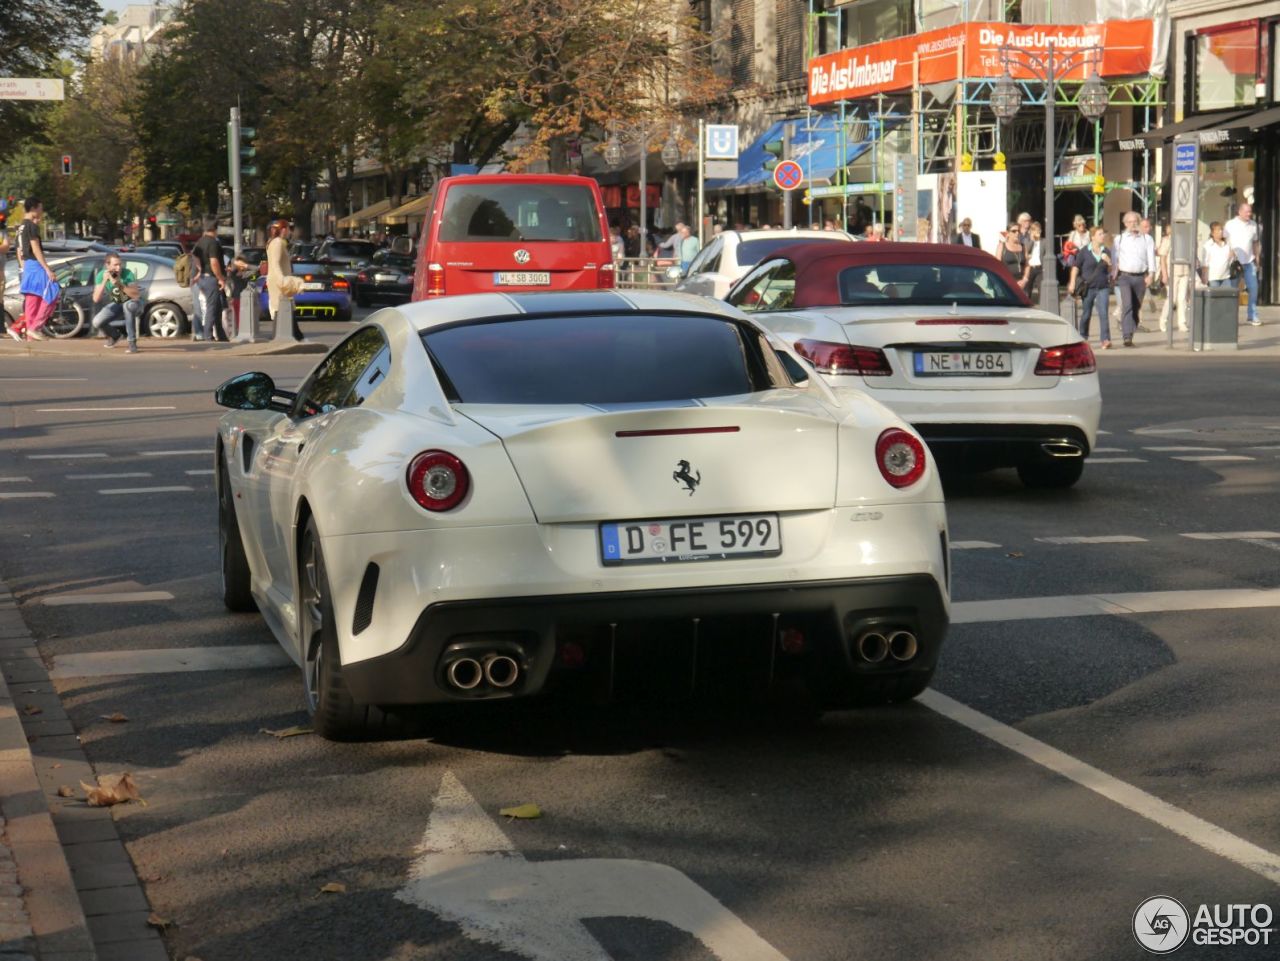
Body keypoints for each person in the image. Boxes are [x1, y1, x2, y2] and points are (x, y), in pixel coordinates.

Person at [11, 199, 59, 342]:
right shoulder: (31, 226)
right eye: (40, 208)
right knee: (52, 290)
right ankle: (35, 327)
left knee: (33, 299)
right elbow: (36, 249)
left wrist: (23, 267)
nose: (41, 211)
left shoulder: (20, 227)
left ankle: (29, 336)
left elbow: (19, 250)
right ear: (33, 208)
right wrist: (47, 269)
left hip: (27, 265)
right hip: (35, 263)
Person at [1111, 211, 1156, 347]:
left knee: (1136, 307)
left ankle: (1131, 327)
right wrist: (1113, 274)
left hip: (1140, 277)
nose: (1133, 224)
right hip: (1124, 277)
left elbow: (1151, 257)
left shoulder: (1146, 239)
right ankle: (1127, 336)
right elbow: (1114, 259)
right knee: (1127, 305)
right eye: (1129, 222)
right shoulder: (1119, 239)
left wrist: (1151, 274)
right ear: (1125, 224)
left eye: (1135, 221)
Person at [1068, 226, 1114, 349]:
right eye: (1100, 234)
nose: (1103, 236)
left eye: (1103, 234)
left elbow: (1110, 270)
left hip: (1102, 287)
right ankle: (1083, 336)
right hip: (1088, 287)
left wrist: (1109, 262)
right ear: (1092, 237)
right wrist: (1072, 282)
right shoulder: (1084, 251)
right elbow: (1076, 267)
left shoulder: (1106, 251)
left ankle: (1105, 339)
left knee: (1103, 313)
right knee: (1086, 313)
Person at [90, 253, 143, 353]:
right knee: (96, 322)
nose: (118, 268)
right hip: (118, 303)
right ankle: (115, 336)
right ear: (107, 265)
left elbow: (135, 295)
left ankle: (132, 343)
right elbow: (96, 299)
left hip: (134, 304)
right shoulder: (101, 275)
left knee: (128, 305)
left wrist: (119, 284)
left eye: (120, 264)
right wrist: (104, 281)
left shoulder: (127, 273)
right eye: (115, 265)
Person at [1223, 203, 1262, 325]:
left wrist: (1257, 258)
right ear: (1239, 212)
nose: (1249, 214)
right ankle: (1231, 316)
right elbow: (1223, 241)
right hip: (1235, 262)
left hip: (1249, 261)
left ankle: (1252, 315)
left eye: (1250, 211)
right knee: (1233, 290)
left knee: (1254, 288)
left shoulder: (1253, 225)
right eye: (1246, 212)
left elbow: (1255, 243)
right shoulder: (1230, 224)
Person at [191, 218, 227, 342]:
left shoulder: (200, 241)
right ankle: (208, 334)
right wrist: (220, 278)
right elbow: (214, 262)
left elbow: (194, 255)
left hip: (203, 278)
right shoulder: (213, 243)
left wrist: (200, 269)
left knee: (217, 306)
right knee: (212, 307)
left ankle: (221, 334)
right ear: (215, 229)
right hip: (211, 278)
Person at [265, 219, 301, 340]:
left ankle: (292, 335)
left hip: (276, 279)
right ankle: (294, 335)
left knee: (282, 307)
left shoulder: (274, 242)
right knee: (284, 307)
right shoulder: (278, 243)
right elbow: (275, 263)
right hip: (279, 280)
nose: (289, 232)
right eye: (289, 229)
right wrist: (282, 279)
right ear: (284, 229)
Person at [1200, 221, 1236, 289]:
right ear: (1212, 233)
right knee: (1215, 298)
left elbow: (1230, 261)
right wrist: (1204, 276)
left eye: (1221, 229)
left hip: (1226, 277)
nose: (1221, 231)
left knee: (1226, 298)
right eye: (1218, 230)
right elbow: (1205, 263)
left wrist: (1232, 255)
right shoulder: (1208, 245)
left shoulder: (1227, 244)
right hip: (1213, 278)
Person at [998, 222, 1029, 289]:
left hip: (1021, 283)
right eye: (1014, 231)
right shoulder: (1002, 246)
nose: (1017, 233)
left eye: (1018, 231)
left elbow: (1027, 265)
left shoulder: (1023, 247)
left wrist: (1025, 279)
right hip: (1006, 283)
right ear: (1008, 233)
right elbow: (997, 265)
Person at [1025, 221, 1047, 302]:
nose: (1038, 232)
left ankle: (1042, 305)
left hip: (1039, 267)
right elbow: (1027, 250)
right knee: (1027, 289)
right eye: (1036, 230)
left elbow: (1046, 254)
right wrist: (1033, 240)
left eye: (1039, 230)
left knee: (1041, 289)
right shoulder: (1027, 241)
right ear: (1032, 231)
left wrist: (1045, 268)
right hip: (1030, 268)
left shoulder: (1044, 241)